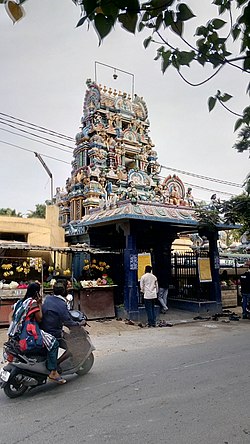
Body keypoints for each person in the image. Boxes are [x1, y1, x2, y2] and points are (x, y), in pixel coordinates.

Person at [8, 282, 65, 384]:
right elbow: (39, 319)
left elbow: (10, 315)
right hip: (28, 332)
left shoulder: (20, 302)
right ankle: (53, 371)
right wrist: (39, 303)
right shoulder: (33, 302)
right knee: (53, 343)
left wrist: (15, 326)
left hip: (15, 333)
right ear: (37, 292)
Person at [41, 281, 80, 363]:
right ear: (64, 291)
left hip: (44, 330)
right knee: (73, 346)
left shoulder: (48, 299)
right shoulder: (62, 304)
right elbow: (68, 322)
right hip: (54, 332)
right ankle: (57, 363)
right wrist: (79, 324)